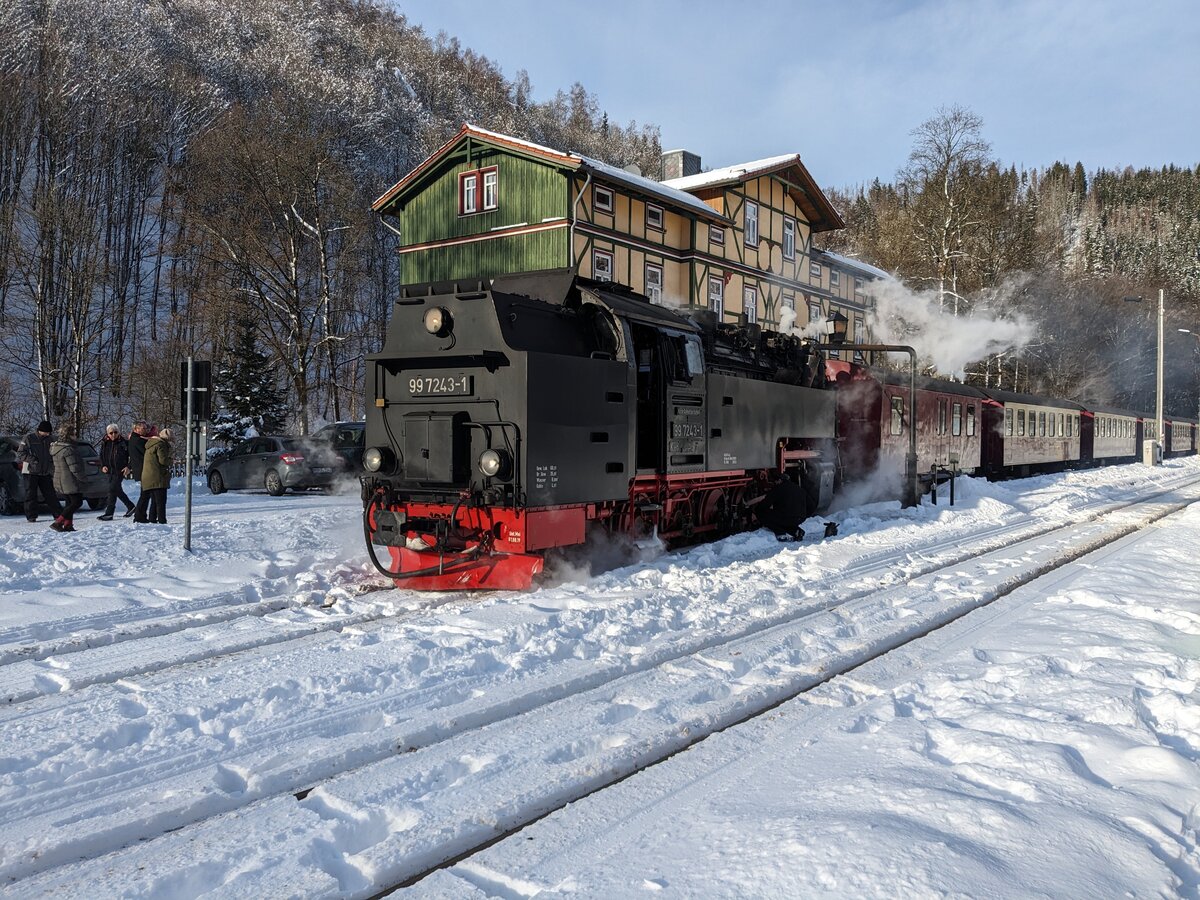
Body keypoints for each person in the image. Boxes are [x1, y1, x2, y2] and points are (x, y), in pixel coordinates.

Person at [16, 420, 62, 523]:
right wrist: (33, 460)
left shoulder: (50, 440)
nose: (47, 434)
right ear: (40, 430)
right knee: (30, 494)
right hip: (30, 471)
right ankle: (31, 516)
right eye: (46, 432)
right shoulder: (29, 438)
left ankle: (58, 514)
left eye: (48, 432)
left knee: (50, 494)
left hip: (45, 471)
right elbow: (20, 453)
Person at [748, 471, 808, 541]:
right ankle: (796, 531)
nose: (775, 483)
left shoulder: (779, 488)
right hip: (801, 517)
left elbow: (766, 503)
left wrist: (757, 511)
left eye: (775, 481)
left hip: (787, 517)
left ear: (780, 480)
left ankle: (780, 533)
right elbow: (809, 504)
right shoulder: (799, 488)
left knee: (764, 515)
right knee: (782, 520)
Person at [50, 424, 86, 532]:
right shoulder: (68, 449)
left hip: (60, 479)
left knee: (69, 503)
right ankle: (58, 522)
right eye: (73, 434)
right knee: (77, 502)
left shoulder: (57, 447)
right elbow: (74, 467)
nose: (75, 436)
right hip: (70, 480)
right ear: (68, 435)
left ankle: (68, 524)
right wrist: (82, 478)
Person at [97, 424, 135, 520]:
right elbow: (101, 456)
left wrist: (128, 467)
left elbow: (133, 457)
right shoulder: (105, 443)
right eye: (111, 433)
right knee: (116, 489)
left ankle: (109, 513)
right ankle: (130, 506)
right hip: (109, 471)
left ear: (119, 432)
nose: (113, 434)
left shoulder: (124, 443)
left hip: (119, 470)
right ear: (107, 434)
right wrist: (103, 466)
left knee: (112, 489)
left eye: (115, 432)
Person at [139, 427, 173, 524]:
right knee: (160, 501)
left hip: (148, 476)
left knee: (154, 500)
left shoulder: (152, 444)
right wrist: (171, 461)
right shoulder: (161, 445)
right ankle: (162, 520)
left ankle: (152, 519)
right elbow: (163, 460)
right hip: (157, 476)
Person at [128, 421, 151, 523]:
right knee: (145, 494)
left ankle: (140, 515)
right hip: (143, 470)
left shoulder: (133, 439)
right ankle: (139, 516)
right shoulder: (138, 441)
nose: (145, 431)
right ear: (136, 429)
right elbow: (147, 452)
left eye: (146, 428)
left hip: (140, 469)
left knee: (145, 493)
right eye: (143, 429)